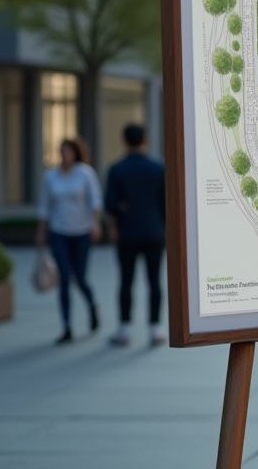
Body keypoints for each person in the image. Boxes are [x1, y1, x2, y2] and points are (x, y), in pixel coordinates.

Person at [36, 138, 103, 344]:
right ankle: (66, 327)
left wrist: (95, 224)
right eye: (62, 151)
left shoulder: (85, 173)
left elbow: (96, 201)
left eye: (69, 151)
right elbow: (45, 206)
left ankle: (92, 306)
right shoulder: (51, 177)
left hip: (81, 231)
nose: (65, 154)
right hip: (59, 232)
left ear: (75, 153)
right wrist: (41, 231)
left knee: (80, 279)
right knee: (64, 278)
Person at [105, 124, 167, 347]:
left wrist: (115, 225)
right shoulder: (159, 167)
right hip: (155, 232)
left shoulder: (117, 169)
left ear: (124, 141)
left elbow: (110, 204)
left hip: (127, 233)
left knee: (126, 281)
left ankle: (125, 328)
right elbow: (168, 201)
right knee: (154, 281)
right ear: (146, 139)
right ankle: (156, 328)